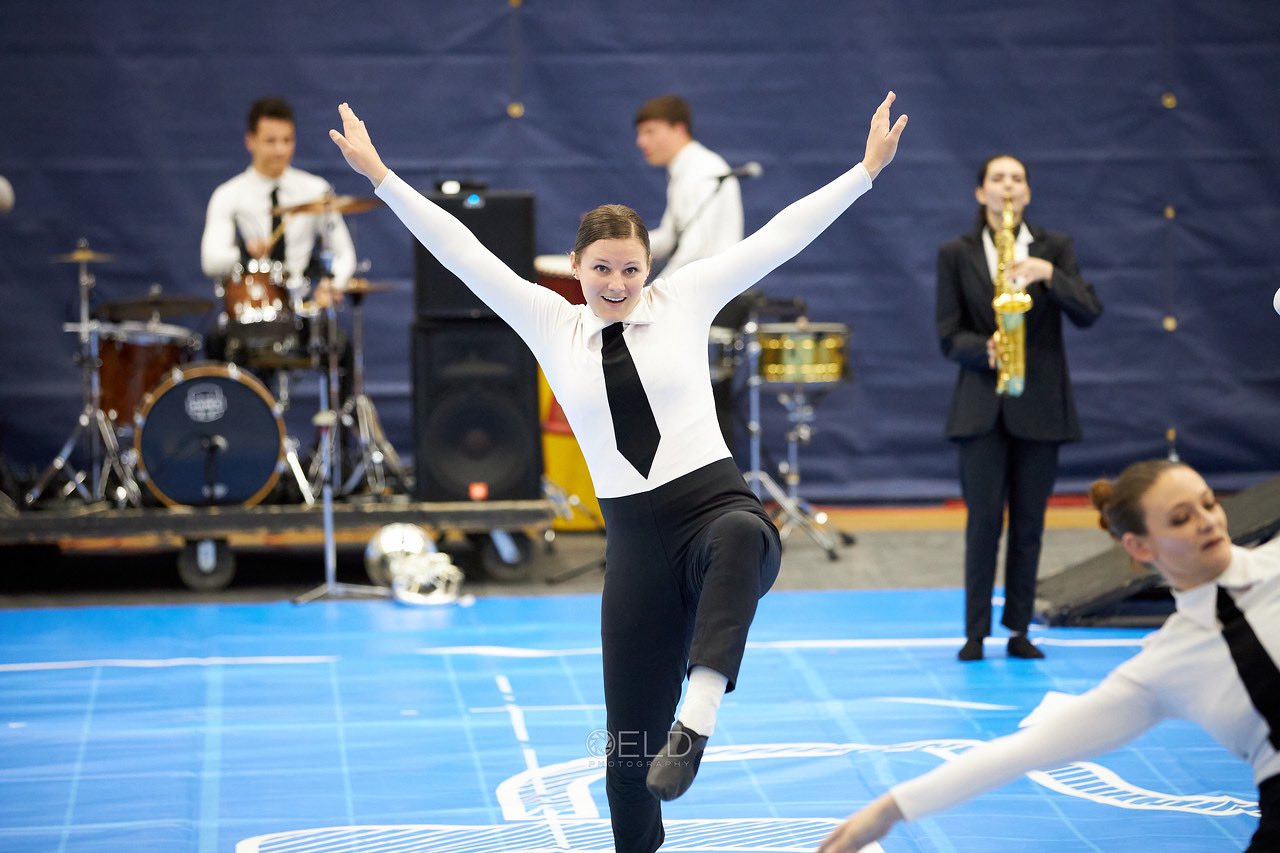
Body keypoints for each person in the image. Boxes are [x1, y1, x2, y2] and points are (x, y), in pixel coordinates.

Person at [330, 92, 907, 853]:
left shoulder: (684, 299)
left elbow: (779, 235)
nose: (616, 281)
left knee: (743, 535)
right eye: (601, 268)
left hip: (714, 507)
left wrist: (864, 172)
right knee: (628, 755)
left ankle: (697, 719)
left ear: (649, 267)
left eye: (631, 268)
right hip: (635, 542)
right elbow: (460, 249)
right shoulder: (550, 322)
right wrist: (381, 177)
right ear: (574, 268)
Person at [819, 458, 1280, 852]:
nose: (1207, 521)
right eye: (1180, 518)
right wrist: (887, 810)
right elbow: (1022, 751)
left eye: (1209, 503)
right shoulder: (1163, 665)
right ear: (1139, 546)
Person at [937, 154, 1103, 661]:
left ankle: (1019, 629)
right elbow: (948, 335)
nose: (1007, 186)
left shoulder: (1055, 248)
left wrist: (1048, 274)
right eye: (997, 178)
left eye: (1017, 179)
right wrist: (982, 349)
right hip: (981, 409)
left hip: (1041, 405)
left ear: (1028, 192)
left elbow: (1089, 312)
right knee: (983, 523)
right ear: (980, 192)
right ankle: (974, 632)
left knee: (1030, 524)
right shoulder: (956, 252)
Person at [200, 97, 357, 366]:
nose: (280, 150)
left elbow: (344, 253)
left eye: (287, 140)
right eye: (271, 141)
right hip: (249, 310)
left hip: (300, 311)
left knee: (341, 346)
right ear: (250, 141)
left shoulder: (316, 191)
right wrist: (244, 253)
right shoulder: (228, 195)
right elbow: (210, 260)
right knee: (215, 340)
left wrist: (333, 284)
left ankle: (341, 397)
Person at [635, 95, 748, 449]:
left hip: (715, 299)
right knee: (699, 396)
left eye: (650, 131)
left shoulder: (702, 170)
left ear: (678, 128)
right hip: (701, 296)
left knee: (707, 397)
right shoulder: (683, 171)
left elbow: (697, 247)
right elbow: (671, 238)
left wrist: (651, 293)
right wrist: (620, 242)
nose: (641, 142)